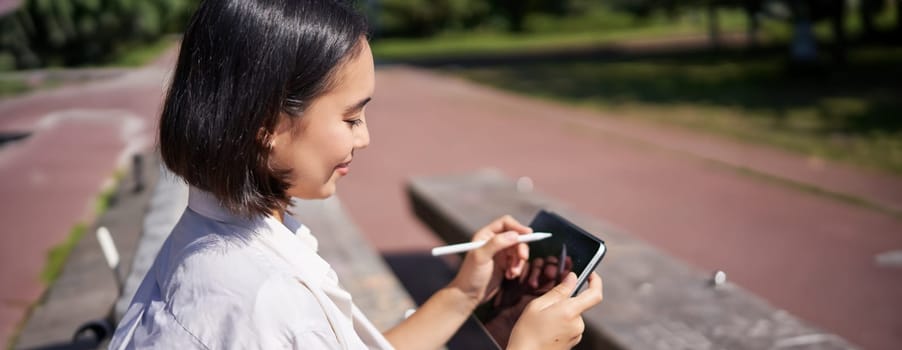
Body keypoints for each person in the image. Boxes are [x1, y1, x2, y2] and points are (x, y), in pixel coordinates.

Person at [109, 0, 603, 349]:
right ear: (266, 124)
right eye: (350, 118)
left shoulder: (212, 238)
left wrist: (463, 293)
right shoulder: (267, 302)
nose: (363, 138)